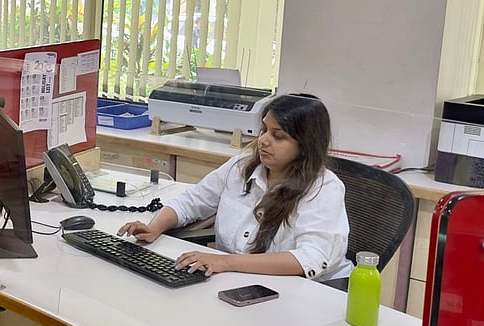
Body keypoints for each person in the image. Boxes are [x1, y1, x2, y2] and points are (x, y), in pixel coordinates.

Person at [118, 93, 354, 282]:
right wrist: (154, 227)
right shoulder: (241, 166)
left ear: (305, 145)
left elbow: (309, 259)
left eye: (278, 136)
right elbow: (193, 201)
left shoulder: (324, 189)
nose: (263, 140)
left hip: (306, 295)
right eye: (264, 130)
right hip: (240, 283)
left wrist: (225, 262)